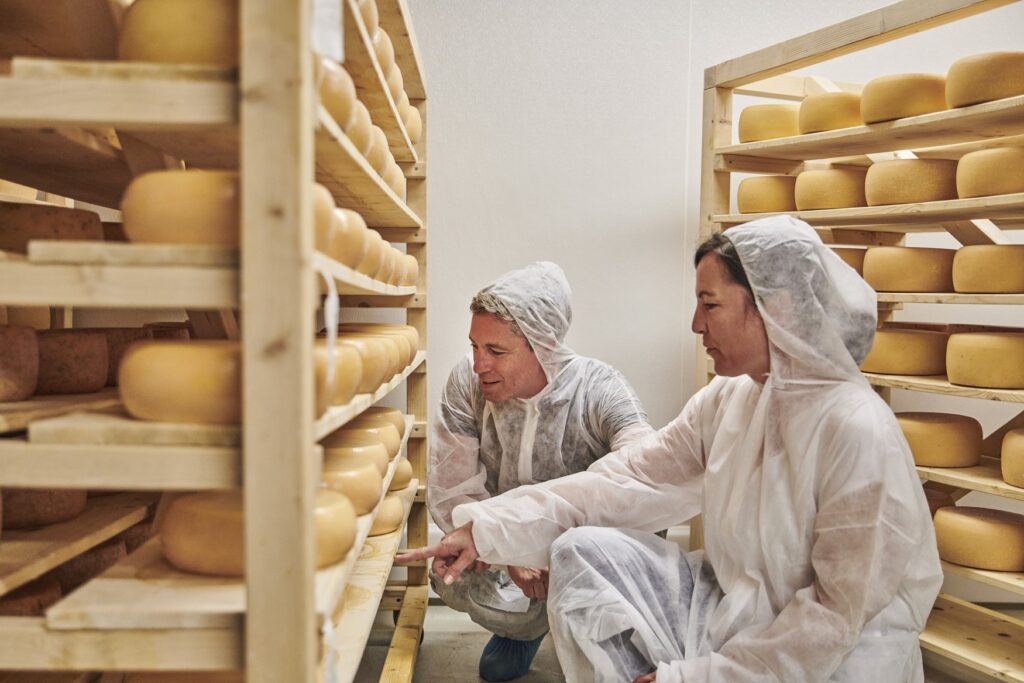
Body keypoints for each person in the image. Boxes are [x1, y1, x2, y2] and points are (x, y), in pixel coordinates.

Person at [402, 217, 943, 683]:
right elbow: (631, 479)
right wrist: (489, 528)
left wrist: (701, 677)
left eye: (710, 304)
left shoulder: (857, 430)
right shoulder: (731, 398)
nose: (695, 324)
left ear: (773, 306)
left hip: (832, 660)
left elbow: (835, 618)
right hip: (735, 611)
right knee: (582, 550)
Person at [429, 261, 655, 682]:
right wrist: (506, 545)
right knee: (450, 572)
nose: (479, 364)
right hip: (509, 561)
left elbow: (645, 473)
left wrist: (560, 549)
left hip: (586, 556)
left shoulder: (600, 388)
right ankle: (527, 628)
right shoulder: (467, 381)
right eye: (475, 346)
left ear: (544, 345)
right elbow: (451, 487)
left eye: (496, 351)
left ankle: (601, 630)